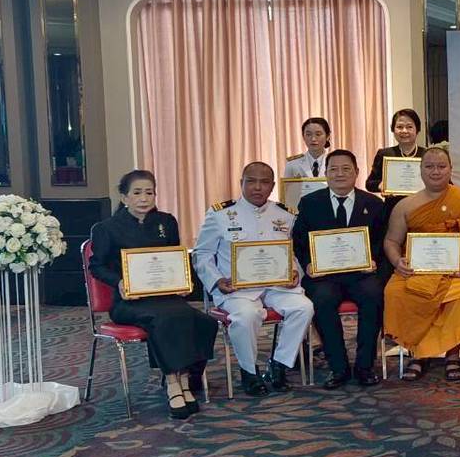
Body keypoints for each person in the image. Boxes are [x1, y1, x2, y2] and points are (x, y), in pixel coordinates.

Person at [89, 170, 217, 420]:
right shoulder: (106, 228)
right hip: (129, 301)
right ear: (124, 197)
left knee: (205, 322)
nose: (144, 198)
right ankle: (173, 382)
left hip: (165, 296)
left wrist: (183, 281)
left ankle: (185, 377)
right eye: (137, 193)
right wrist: (119, 282)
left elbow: (176, 258)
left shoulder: (166, 222)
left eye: (149, 192)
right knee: (166, 319)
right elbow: (97, 266)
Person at [193, 162, 315, 397]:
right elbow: (202, 254)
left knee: (304, 308)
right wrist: (217, 281)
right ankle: (249, 372)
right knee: (247, 315)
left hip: (277, 286)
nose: (257, 187)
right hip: (237, 289)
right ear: (241, 183)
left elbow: (292, 253)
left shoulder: (285, 214)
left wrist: (294, 272)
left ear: (272, 186)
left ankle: (279, 365)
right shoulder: (220, 214)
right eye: (251, 181)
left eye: (264, 182)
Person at [383, 148, 460, 381]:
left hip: (457, 271)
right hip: (417, 271)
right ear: (421, 170)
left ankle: (453, 354)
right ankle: (417, 353)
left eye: (441, 166)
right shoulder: (406, 205)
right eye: (429, 166)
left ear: (450, 170)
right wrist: (397, 261)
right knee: (395, 292)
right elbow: (392, 241)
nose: (435, 171)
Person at [292, 149, 387, 390]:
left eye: (346, 169)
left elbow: (381, 242)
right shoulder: (310, 203)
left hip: (361, 274)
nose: (340, 174)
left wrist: (375, 261)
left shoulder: (374, 204)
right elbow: (299, 241)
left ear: (356, 172)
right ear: (326, 173)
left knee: (374, 295)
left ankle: (365, 366)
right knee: (322, 299)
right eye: (333, 169)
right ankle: (338, 367)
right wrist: (308, 264)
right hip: (324, 276)